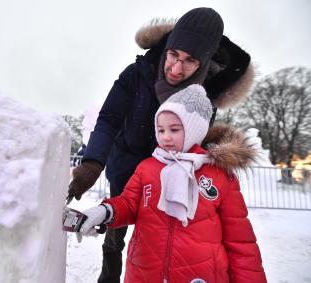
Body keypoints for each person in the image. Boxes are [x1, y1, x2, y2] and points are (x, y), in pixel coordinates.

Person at [68, 7, 254, 282]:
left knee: (161, 234)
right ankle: (108, 278)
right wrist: (93, 163)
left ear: (203, 63)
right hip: (128, 167)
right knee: (115, 235)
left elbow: (197, 138)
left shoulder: (204, 94)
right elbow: (109, 119)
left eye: (190, 61)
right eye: (173, 55)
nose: (176, 69)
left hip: (173, 172)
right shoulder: (137, 74)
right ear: (166, 47)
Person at [78, 84, 267, 283]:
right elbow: (129, 203)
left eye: (174, 129)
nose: (165, 137)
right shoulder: (147, 167)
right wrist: (105, 211)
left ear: (194, 130)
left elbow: (241, 243)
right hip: (144, 273)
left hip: (200, 276)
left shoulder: (219, 174)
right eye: (160, 130)